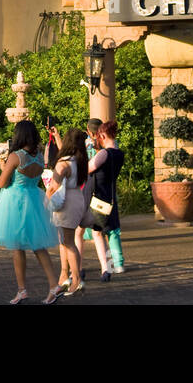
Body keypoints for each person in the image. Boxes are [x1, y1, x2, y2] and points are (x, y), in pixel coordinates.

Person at [0, 119, 62, 304]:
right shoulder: (39, 156)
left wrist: (3, 167)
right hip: (34, 200)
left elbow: (2, 183)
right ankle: (54, 285)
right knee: (39, 246)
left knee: (17, 247)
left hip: (16, 202)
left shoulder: (16, 156)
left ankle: (22, 290)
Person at [81, 117, 126, 274]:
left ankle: (106, 267)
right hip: (111, 195)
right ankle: (117, 264)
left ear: (103, 136)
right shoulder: (119, 153)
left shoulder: (104, 154)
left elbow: (87, 168)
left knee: (95, 232)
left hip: (98, 196)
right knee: (111, 231)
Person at [50, 128, 88, 296]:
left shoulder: (63, 163)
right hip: (77, 198)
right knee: (65, 240)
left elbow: (53, 186)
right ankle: (64, 274)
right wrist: (57, 136)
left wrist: (45, 201)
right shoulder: (79, 161)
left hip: (66, 202)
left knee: (68, 242)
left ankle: (76, 279)